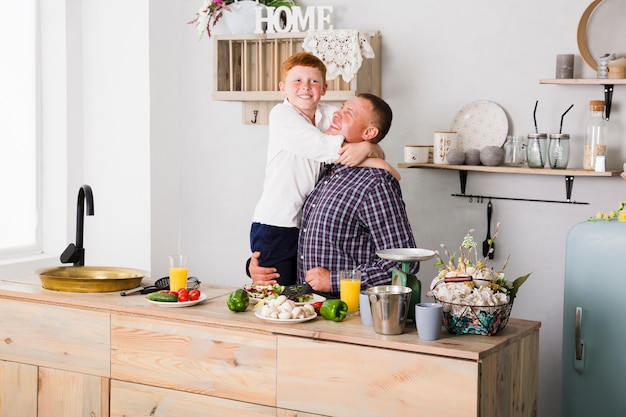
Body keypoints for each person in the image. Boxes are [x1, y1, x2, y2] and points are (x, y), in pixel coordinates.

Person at [250, 52, 398, 286]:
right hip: (277, 221)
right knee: (277, 293)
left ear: (325, 88)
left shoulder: (326, 114)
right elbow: (326, 148)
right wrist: (373, 156)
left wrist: (370, 148)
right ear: (282, 88)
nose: (305, 87)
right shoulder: (282, 115)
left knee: (294, 292)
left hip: (301, 222)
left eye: (314, 81)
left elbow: (362, 136)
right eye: (296, 81)